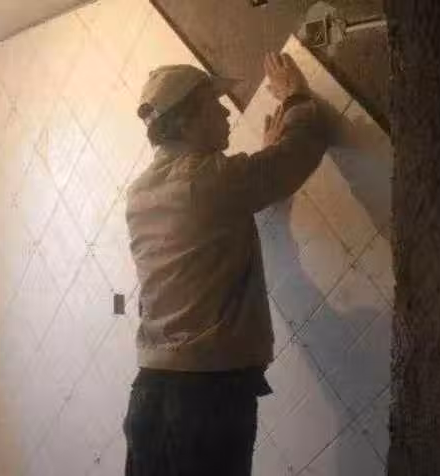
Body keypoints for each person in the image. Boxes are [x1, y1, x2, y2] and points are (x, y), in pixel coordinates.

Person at [122, 52, 329, 476]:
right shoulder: (211, 181)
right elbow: (298, 154)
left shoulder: (141, 192)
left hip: (150, 393)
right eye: (214, 105)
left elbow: (218, 204)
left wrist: (261, 164)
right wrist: (295, 97)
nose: (226, 113)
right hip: (206, 399)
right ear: (186, 123)